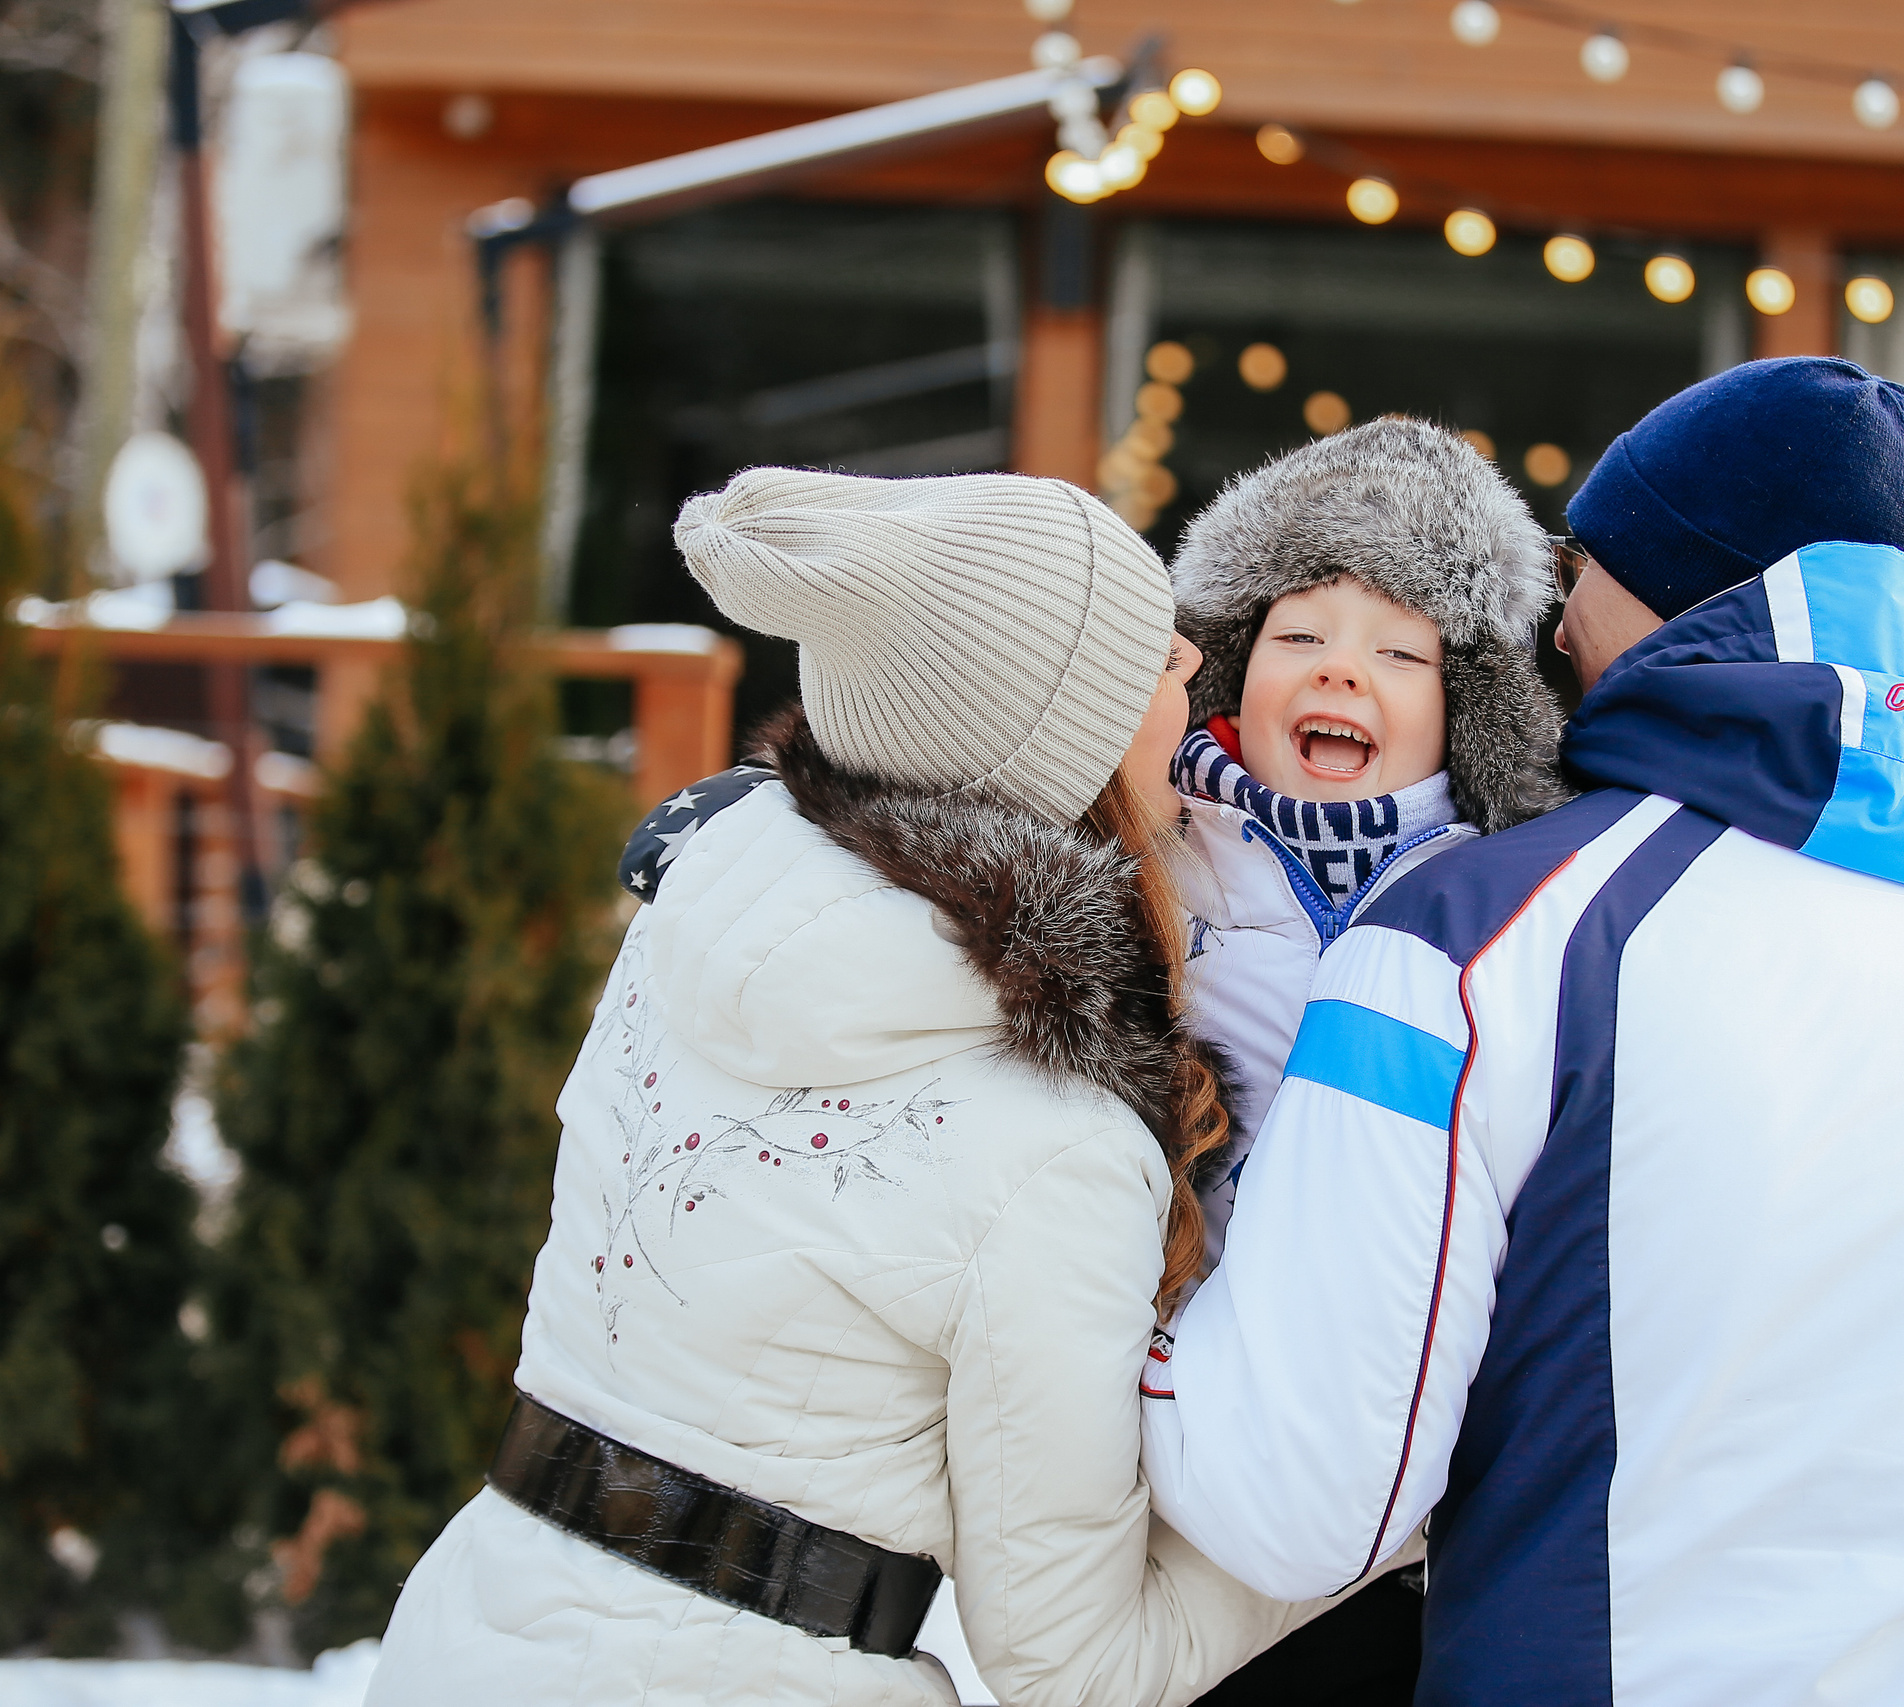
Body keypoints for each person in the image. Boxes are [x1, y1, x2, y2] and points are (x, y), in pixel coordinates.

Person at [1140, 358, 1904, 1707]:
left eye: (1581, 565)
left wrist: (1094, 1332)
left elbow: (1293, 1490)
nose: (1555, 625)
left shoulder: (1472, 940)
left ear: (1670, 595)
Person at [368, 469, 1395, 1707]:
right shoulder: (1051, 1147)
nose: (1188, 652)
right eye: (1143, 650)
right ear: (1063, 740)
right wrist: (1393, 1507)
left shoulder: (690, 921)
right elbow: (1080, 1664)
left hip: (476, 1631)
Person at [1158, 419, 1565, 1705]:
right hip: (1181, 1418)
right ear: (1231, 664)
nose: (1343, 673)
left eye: (1400, 652)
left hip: (1415, 1473)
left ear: (1467, 711)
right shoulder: (1162, 849)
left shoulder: (1492, 896)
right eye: (1300, 639)